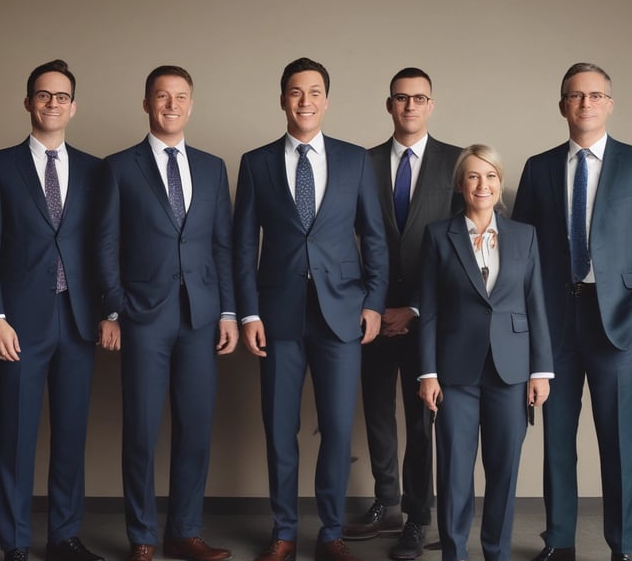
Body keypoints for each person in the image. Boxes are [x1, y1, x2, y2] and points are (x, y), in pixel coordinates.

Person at [512, 63, 632, 561]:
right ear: (562, 104)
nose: (585, 103)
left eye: (595, 95)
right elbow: (521, 250)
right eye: (575, 96)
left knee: (619, 441)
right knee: (557, 439)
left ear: (609, 103)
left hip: (619, 322)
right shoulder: (539, 168)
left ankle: (621, 547)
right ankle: (559, 540)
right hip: (554, 322)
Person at [233, 57, 388, 561]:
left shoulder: (355, 160)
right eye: (296, 92)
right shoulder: (255, 163)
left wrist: (373, 302)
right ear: (283, 99)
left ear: (327, 100)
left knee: (339, 430)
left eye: (315, 92)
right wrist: (249, 313)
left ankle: (331, 532)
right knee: (280, 429)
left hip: (341, 315)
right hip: (276, 318)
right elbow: (241, 247)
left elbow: (375, 238)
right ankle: (283, 532)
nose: (305, 101)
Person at [98, 65, 238, 561]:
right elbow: (106, 244)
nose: (172, 105)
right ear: (146, 104)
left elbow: (223, 244)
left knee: (195, 427)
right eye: (162, 96)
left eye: (181, 97)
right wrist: (112, 310)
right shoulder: (117, 167)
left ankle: (184, 531)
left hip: (201, 317)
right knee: (140, 428)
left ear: (191, 104)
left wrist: (228, 311)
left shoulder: (212, 166)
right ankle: (142, 537)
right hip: (142, 315)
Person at [0, 59, 105, 561]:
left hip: (78, 319)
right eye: (44, 95)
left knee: (71, 435)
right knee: (17, 436)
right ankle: (17, 544)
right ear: (29, 102)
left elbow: (103, 245)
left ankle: (64, 536)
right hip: (19, 323)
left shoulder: (95, 170)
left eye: (62, 96)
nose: (53, 103)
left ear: (74, 106)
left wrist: (108, 311)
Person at [343, 67, 462, 560]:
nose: (410, 106)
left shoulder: (456, 162)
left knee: (419, 417)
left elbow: (464, 244)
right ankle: (385, 501)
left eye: (419, 98)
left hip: (428, 315)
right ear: (388, 105)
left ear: (431, 104)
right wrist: (372, 305)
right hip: (370, 312)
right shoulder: (360, 163)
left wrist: (413, 308)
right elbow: (342, 240)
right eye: (400, 98)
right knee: (374, 410)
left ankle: (417, 514)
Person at [418, 144, 553, 561]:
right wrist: (428, 373)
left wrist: (541, 370)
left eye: (491, 175)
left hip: (511, 372)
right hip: (455, 374)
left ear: (500, 182)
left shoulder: (524, 235)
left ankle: (497, 553)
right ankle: (454, 554)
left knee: (504, 472)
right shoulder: (438, 235)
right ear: (461, 184)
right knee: (455, 474)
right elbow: (429, 310)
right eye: (474, 176)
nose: (483, 184)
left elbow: (536, 305)